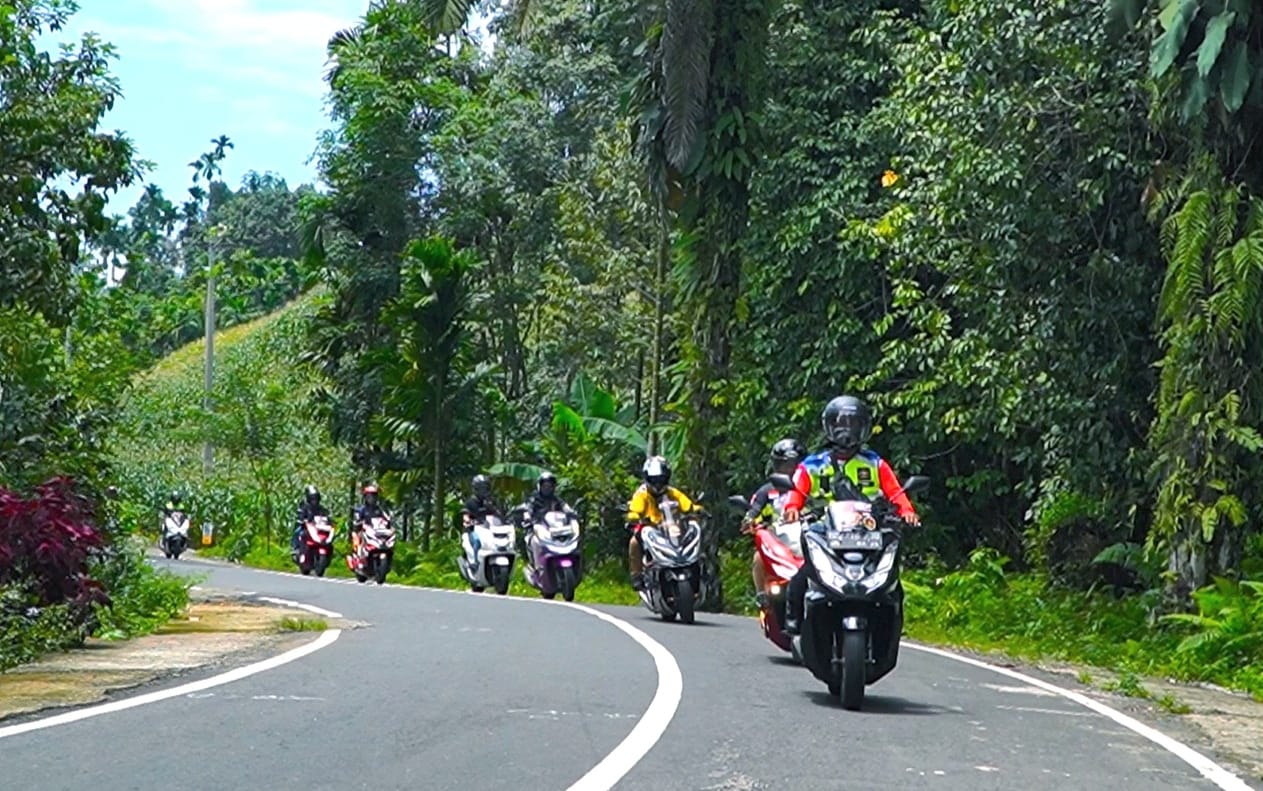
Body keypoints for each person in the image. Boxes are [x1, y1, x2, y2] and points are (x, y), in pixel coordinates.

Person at [782, 396, 920, 635]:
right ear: (829, 427)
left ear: (863, 428)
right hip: (825, 529)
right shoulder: (812, 465)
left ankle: (893, 622)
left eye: (853, 424)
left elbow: (895, 492)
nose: (846, 431)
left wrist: (906, 511)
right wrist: (793, 509)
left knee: (891, 576)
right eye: (840, 424)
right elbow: (797, 491)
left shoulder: (875, 463)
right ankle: (793, 618)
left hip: (869, 529)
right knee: (804, 573)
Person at [742, 438, 808, 607]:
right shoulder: (766, 491)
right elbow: (754, 508)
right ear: (776, 466)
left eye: (795, 465)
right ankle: (761, 595)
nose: (790, 470)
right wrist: (750, 520)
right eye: (785, 465)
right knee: (758, 558)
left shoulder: (810, 488)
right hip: (776, 540)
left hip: (807, 539)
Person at [624, 456, 702, 591]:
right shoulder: (642, 494)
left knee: (695, 532)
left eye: (661, 479)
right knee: (634, 543)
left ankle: (697, 571)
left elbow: (687, 504)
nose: (658, 484)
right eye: (654, 480)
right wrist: (634, 516)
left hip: (673, 528)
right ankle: (637, 575)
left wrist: (696, 509)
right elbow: (635, 509)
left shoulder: (673, 492)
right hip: (651, 529)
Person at [461, 474, 502, 565]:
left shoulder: (491, 502)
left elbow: (498, 515)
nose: (483, 491)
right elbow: (465, 514)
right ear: (475, 488)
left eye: (485, 487)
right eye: (481, 488)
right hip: (473, 530)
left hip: (490, 530)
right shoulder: (470, 502)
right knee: (477, 541)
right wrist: (467, 520)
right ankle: (475, 562)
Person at [351, 482, 389, 557]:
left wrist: (388, 522)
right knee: (359, 536)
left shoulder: (380, 510)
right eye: (369, 496)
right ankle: (360, 556)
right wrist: (359, 523)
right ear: (365, 497)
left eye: (374, 496)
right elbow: (357, 521)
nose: (372, 498)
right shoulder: (362, 510)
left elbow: (387, 518)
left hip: (377, 531)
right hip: (365, 531)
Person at [291, 485, 330, 557]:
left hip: (318, 527)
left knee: (327, 535)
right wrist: (302, 519)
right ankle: (295, 548)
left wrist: (329, 520)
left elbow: (326, 515)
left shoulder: (321, 508)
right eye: (312, 498)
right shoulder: (304, 506)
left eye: (316, 498)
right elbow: (300, 514)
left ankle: (328, 550)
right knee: (298, 532)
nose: (314, 500)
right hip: (306, 526)